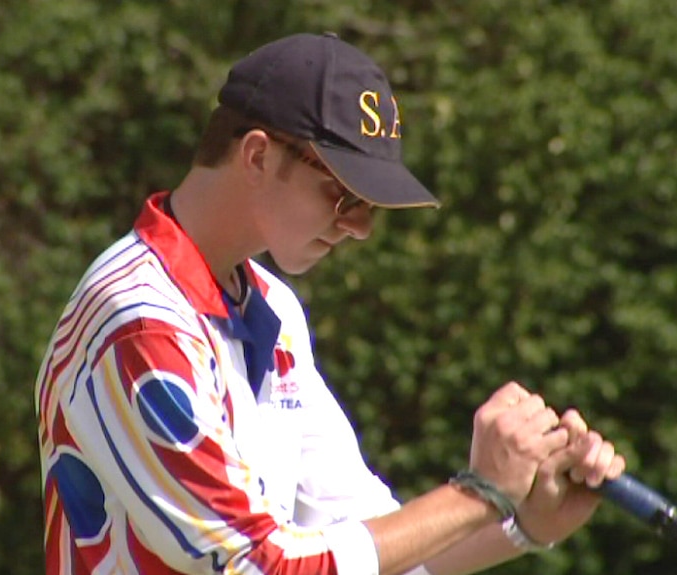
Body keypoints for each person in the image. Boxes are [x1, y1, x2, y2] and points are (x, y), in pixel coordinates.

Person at [35, 32, 625, 575]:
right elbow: (259, 564)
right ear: (259, 156)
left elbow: (365, 544)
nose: (361, 227)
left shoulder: (272, 308)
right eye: (343, 195)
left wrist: (523, 522)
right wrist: (481, 492)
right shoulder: (141, 322)